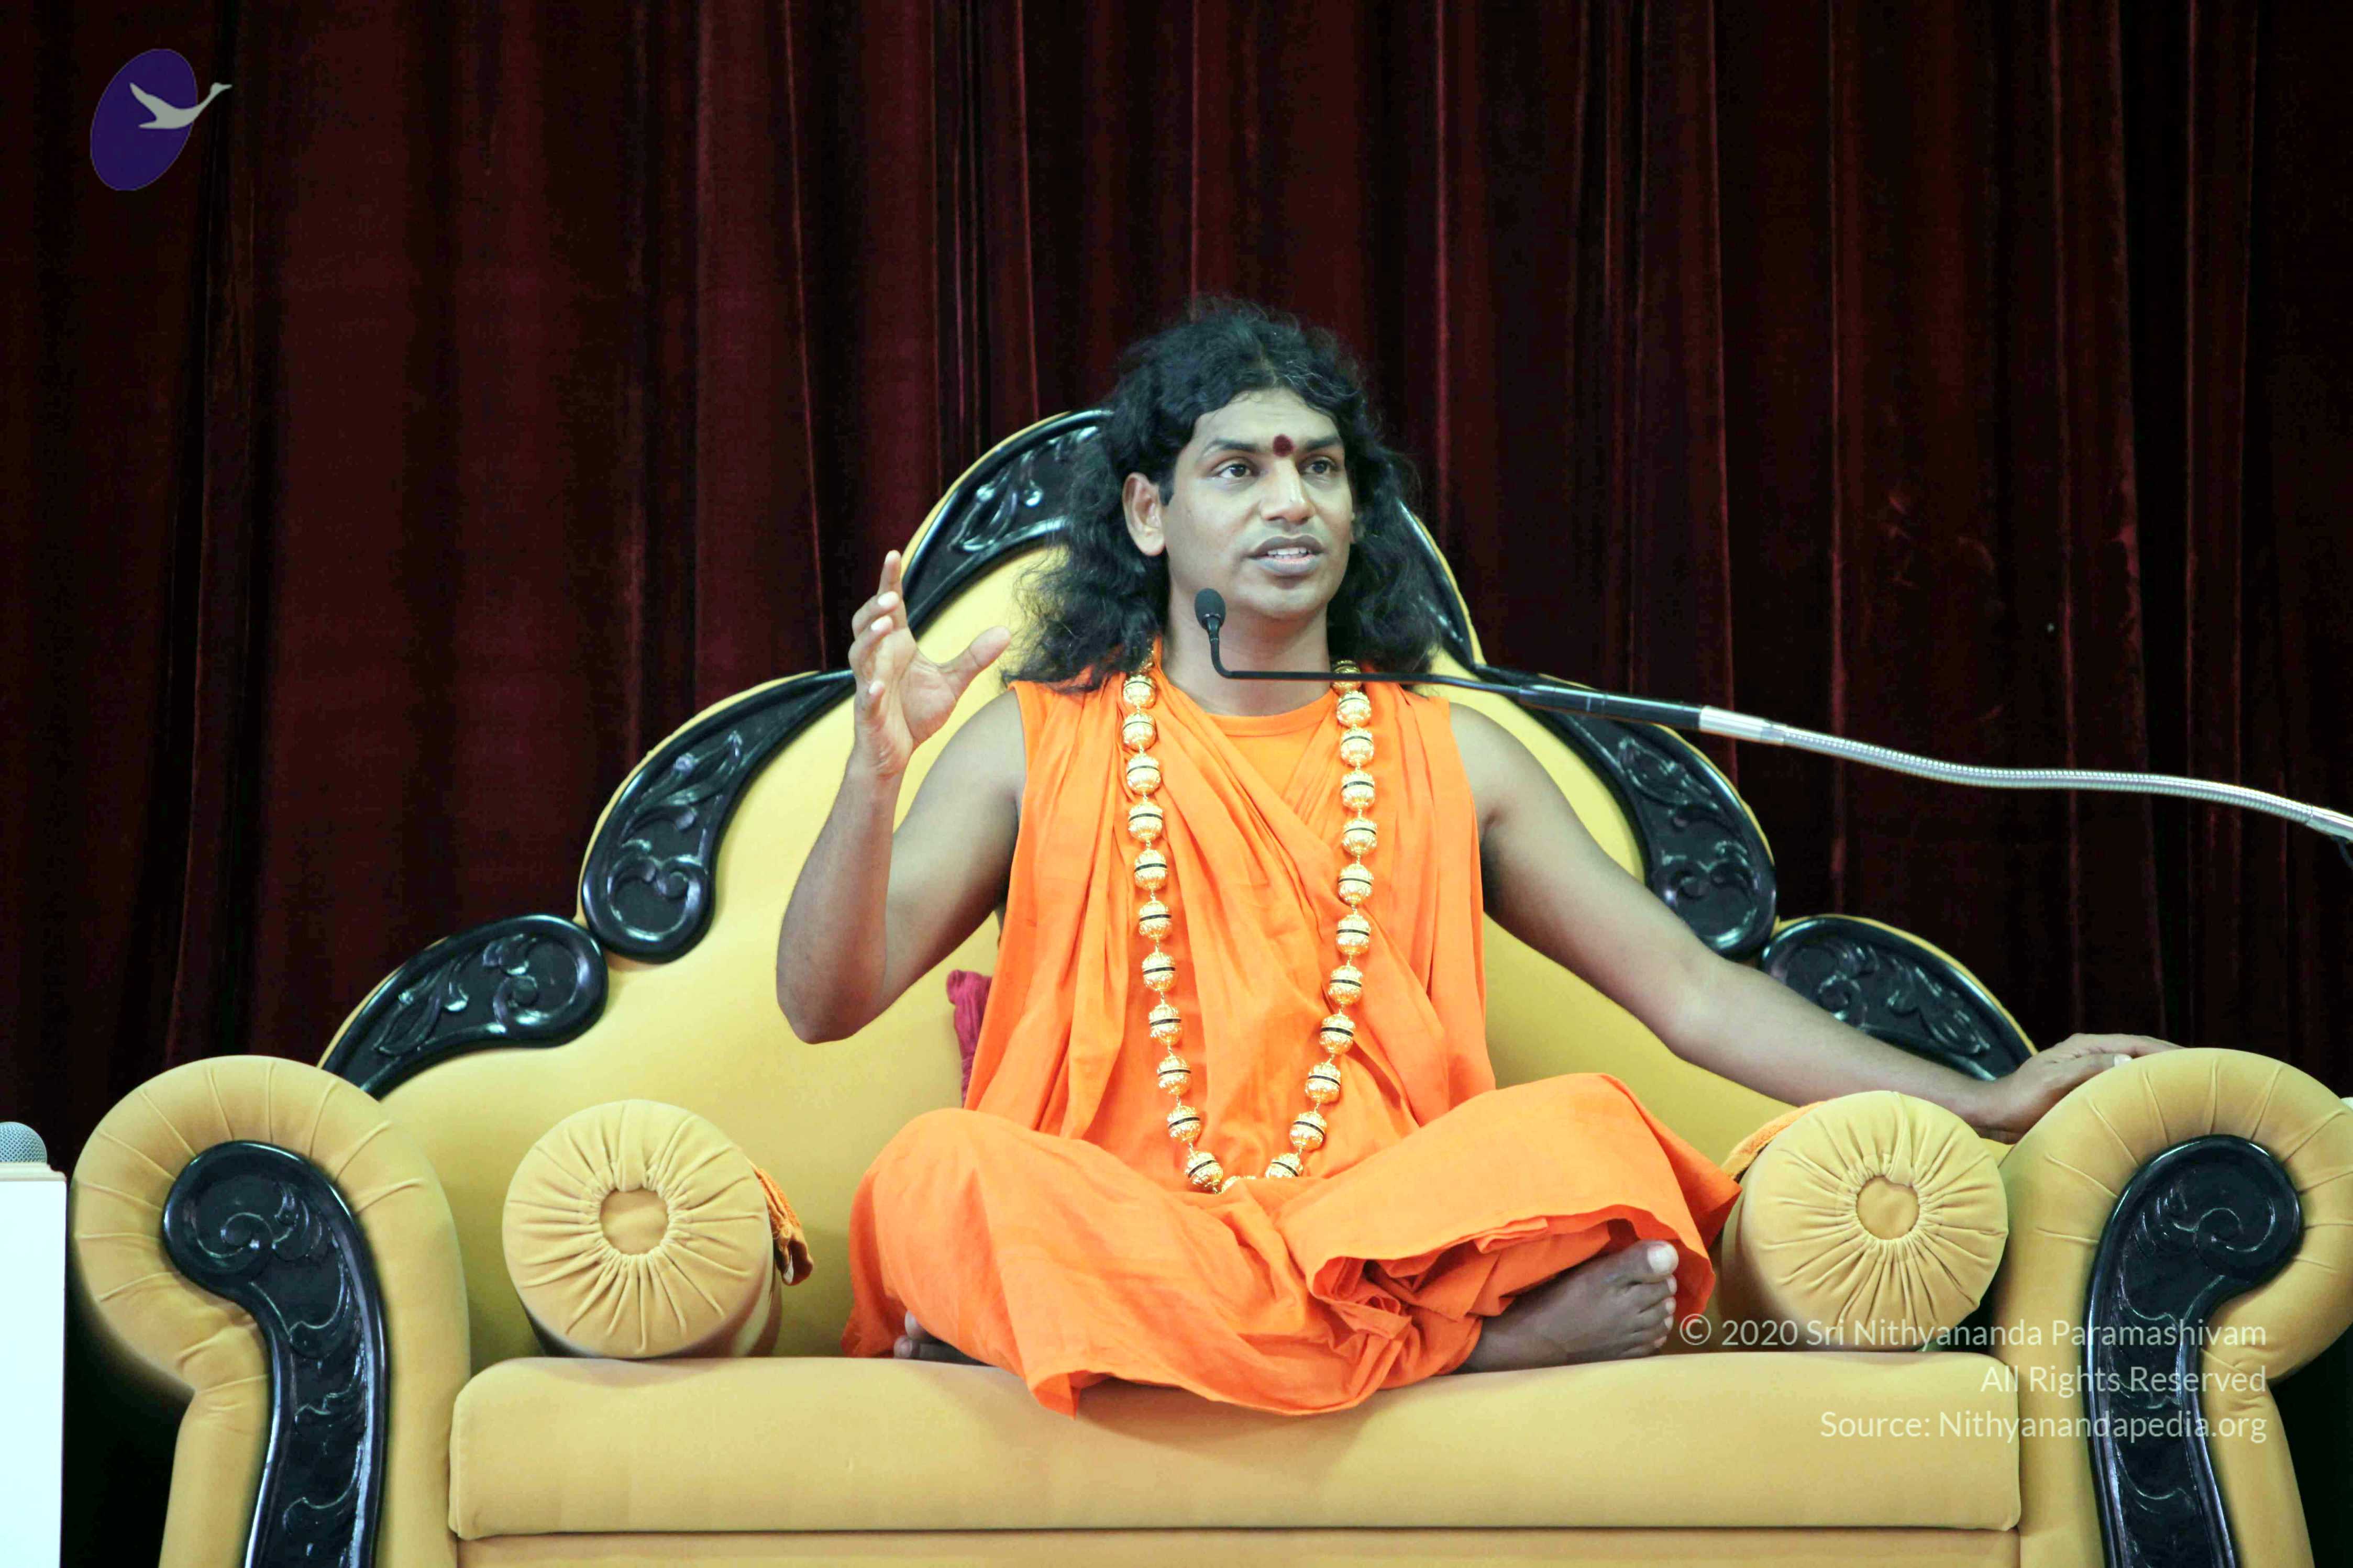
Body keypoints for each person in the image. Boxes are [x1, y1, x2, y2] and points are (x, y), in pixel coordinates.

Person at [773, 300, 2174, 1417]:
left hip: (1388, 1227)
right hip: (1114, 1213)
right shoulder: (1031, 741)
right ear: (1150, 514)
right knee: (941, 1174)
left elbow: (1691, 993)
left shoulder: (1459, 753)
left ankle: (1118, 1341)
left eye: (1322, 467)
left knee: (1590, 1132)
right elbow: (824, 1001)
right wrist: (875, 774)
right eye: (1239, 468)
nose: (1290, 501)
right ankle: (1452, 1352)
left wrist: (1986, 1102)